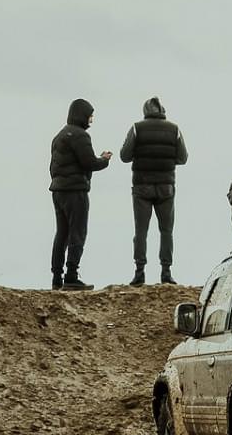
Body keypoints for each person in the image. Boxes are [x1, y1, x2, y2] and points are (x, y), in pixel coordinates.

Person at [119, 97, 189, 285]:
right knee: (166, 231)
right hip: (166, 188)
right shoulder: (174, 129)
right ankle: (166, 272)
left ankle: (139, 272)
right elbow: (183, 158)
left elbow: (124, 156)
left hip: (142, 187)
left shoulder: (136, 128)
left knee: (141, 231)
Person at [50, 98, 112, 290]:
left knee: (62, 234)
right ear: (82, 115)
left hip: (58, 190)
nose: (91, 120)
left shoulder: (59, 135)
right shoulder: (80, 136)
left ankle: (57, 278)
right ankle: (71, 275)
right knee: (78, 233)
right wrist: (104, 159)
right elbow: (89, 163)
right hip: (75, 191)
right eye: (90, 116)